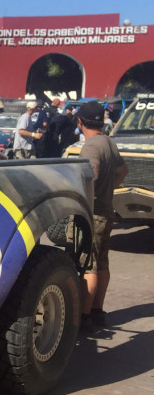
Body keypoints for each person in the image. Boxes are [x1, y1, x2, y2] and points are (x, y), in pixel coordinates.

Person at [76, 100, 129, 333]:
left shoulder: (90, 147)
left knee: (89, 266)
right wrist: (110, 190)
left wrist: (85, 198)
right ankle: (98, 311)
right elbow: (122, 170)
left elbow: (92, 175)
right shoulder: (109, 142)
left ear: (80, 122)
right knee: (102, 262)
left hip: (93, 214)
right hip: (106, 211)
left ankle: (84, 318)